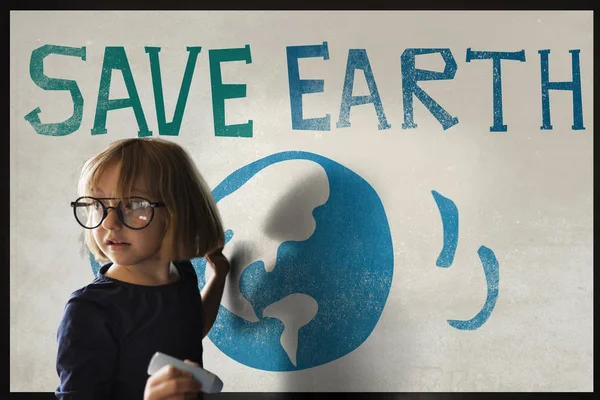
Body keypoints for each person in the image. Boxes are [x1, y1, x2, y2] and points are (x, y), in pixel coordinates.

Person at [55, 138, 230, 399]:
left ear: (177, 212)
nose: (110, 222)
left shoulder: (182, 273)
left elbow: (191, 328)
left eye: (134, 204)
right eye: (97, 204)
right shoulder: (90, 310)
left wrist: (219, 276)